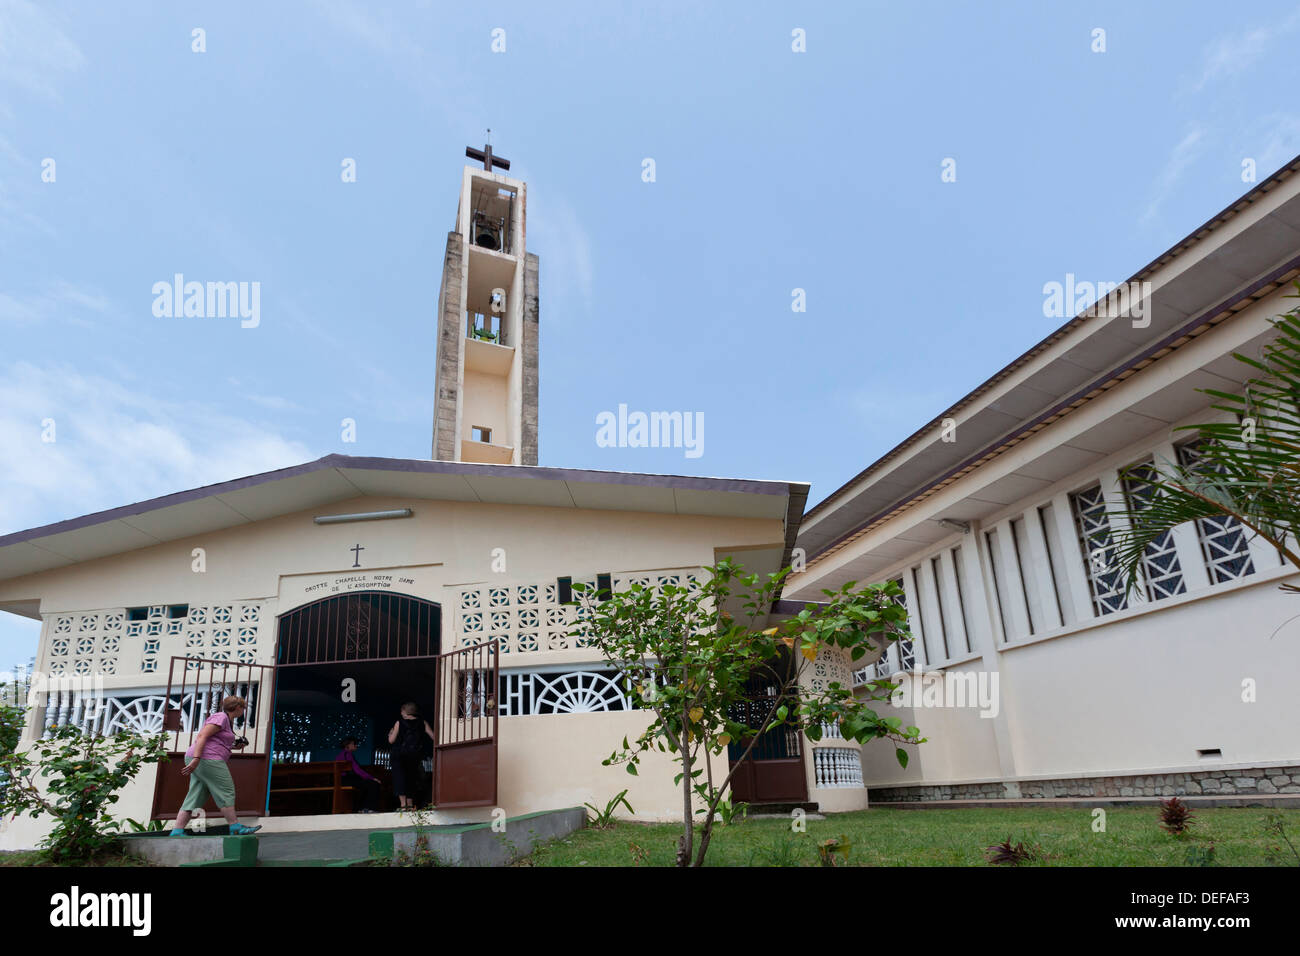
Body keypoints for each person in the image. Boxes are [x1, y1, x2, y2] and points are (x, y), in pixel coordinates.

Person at [171, 696, 262, 836]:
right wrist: (196, 759)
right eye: (243, 708)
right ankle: (235, 826)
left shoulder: (227, 721)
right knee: (226, 790)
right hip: (207, 759)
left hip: (204, 758)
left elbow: (217, 742)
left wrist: (236, 747)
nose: (244, 710)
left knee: (195, 795)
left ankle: (177, 831)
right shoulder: (221, 717)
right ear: (238, 708)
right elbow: (202, 736)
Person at [387, 702, 435, 809]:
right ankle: (410, 804)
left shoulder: (399, 722)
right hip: (414, 756)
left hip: (399, 755)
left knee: (399, 778)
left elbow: (391, 740)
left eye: (402, 711)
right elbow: (433, 737)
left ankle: (403, 805)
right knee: (411, 779)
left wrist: (390, 733)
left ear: (405, 712)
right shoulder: (423, 723)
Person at [336, 737, 382, 813]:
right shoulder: (347, 754)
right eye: (354, 744)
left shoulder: (340, 755)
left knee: (365, 785)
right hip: (347, 780)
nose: (356, 746)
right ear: (348, 745)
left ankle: (361, 808)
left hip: (342, 780)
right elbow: (357, 770)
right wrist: (372, 778)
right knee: (374, 784)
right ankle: (370, 808)